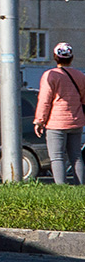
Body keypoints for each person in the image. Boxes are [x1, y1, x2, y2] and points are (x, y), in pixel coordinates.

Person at [33, 41, 85, 186]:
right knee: (76, 156)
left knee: (57, 157)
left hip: (56, 123)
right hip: (76, 121)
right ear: (71, 57)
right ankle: (80, 186)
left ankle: (61, 187)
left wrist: (39, 121)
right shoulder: (80, 75)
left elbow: (45, 100)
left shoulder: (50, 75)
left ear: (55, 57)